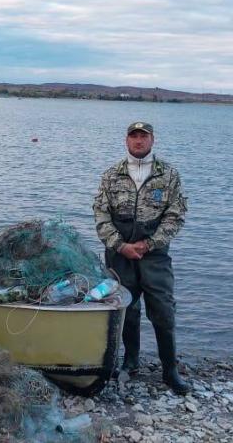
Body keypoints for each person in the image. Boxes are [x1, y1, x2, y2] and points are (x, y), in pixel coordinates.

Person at [92, 121, 191, 395]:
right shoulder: (111, 175)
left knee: (163, 309)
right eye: (133, 136)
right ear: (126, 141)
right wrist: (120, 245)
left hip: (154, 255)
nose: (138, 141)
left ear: (152, 140)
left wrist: (149, 244)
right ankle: (130, 361)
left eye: (143, 136)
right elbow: (100, 215)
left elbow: (176, 216)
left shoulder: (168, 175)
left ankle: (170, 369)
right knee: (127, 309)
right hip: (120, 255)